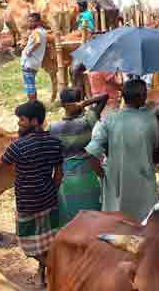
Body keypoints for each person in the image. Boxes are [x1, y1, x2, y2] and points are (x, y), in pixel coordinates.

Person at [0, 100, 64, 285]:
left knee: (26, 242)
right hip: (50, 200)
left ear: (35, 122)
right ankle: (43, 275)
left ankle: (56, 270)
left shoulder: (17, 147)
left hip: (27, 203)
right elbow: (59, 174)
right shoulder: (55, 143)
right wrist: (51, 190)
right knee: (46, 240)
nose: (18, 123)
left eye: (22, 120)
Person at [83, 79, 159, 221]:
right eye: (145, 94)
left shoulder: (108, 120)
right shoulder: (150, 120)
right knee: (146, 225)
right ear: (140, 98)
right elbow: (155, 146)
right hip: (144, 183)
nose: (146, 97)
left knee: (117, 227)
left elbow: (91, 152)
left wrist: (103, 175)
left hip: (116, 182)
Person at [48, 89, 108, 227]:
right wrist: (84, 103)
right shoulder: (88, 121)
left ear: (63, 104)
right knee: (93, 218)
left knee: (70, 220)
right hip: (90, 174)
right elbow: (104, 96)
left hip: (65, 176)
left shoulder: (53, 127)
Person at [21, 13, 48, 101]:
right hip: (35, 62)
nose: (29, 23)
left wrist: (29, 51)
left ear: (38, 22)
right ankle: (34, 103)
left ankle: (31, 105)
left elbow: (38, 42)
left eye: (32, 21)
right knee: (31, 84)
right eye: (29, 21)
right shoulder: (43, 31)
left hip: (29, 62)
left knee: (29, 86)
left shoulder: (36, 32)